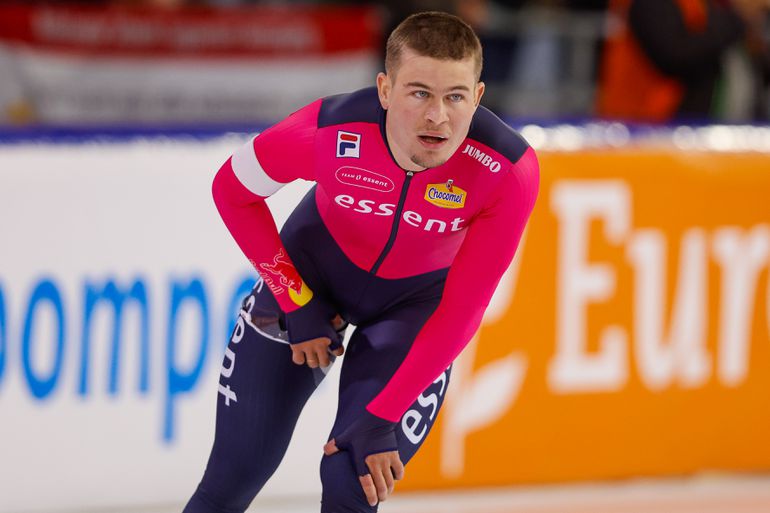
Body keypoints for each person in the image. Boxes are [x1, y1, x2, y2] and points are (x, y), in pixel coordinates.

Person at [183, 11, 539, 513]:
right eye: (419, 93)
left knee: (351, 474)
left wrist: (383, 417)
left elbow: (463, 309)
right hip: (312, 278)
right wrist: (293, 298)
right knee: (232, 476)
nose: (438, 116)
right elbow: (231, 191)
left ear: (478, 97)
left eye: (455, 97)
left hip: (413, 309)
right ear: (385, 89)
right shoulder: (328, 130)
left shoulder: (508, 171)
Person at [597, 0, 769, 122]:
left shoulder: (708, 5)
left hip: (710, 129)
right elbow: (674, 56)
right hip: (646, 128)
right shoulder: (650, 4)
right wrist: (739, 16)